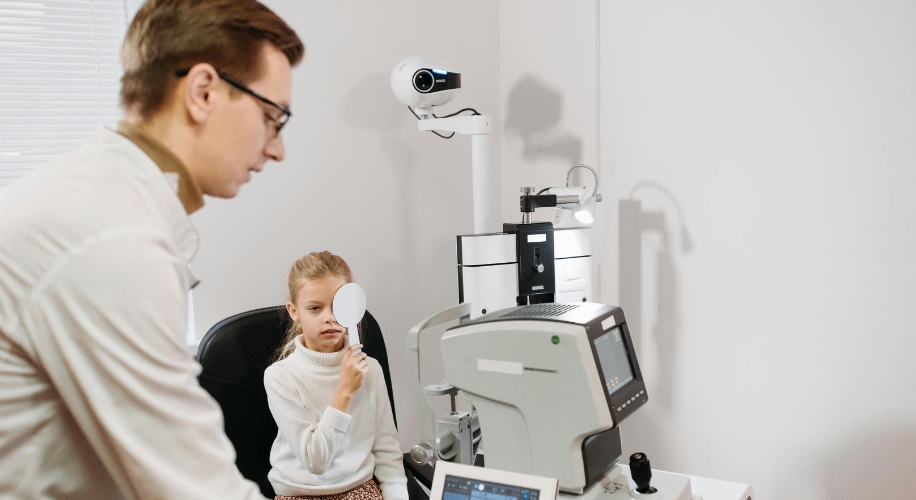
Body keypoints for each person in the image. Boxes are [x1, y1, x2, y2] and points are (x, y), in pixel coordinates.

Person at [0, 0, 303, 498]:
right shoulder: (109, 238)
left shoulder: (102, 203)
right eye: (273, 116)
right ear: (203, 91)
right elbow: (195, 488)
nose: (277, 148)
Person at [265, 252, 407, 500]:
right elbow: (315, 461)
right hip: (299, 494)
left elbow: (388, 455)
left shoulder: (370, 370)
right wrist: (346, 390)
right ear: (294, 311)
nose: (329, 317)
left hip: (359, 489)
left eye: (337, 306)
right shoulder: (280, 377)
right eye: (314, 308)